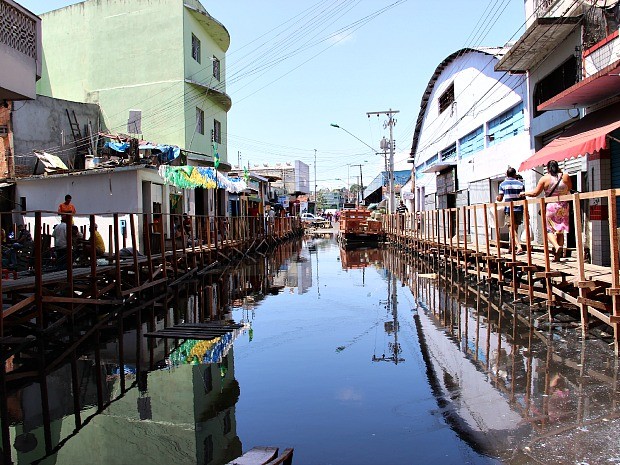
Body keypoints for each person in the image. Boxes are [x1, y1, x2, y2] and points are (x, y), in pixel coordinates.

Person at [521, 160, 572, 262]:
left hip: (552, 206)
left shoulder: (544, 179)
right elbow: (569, 188)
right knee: (560, 231)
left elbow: (535, 193)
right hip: (563, 206)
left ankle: (556, 246)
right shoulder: (565, 176)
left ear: (548, 168)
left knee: (549, 230)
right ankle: (557, 257)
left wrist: (524, 193)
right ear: (557, 167)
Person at [497, 167, 525, 255]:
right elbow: (523, 197)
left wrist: (497, 198)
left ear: (506, 174)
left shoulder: (502, 184)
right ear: (515, 174)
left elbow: (500, 198)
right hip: (519, 208)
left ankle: (519, 246)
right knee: (515, 228)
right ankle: (511, 247)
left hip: (509, 208)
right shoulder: (520, 184)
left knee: (511, 228)